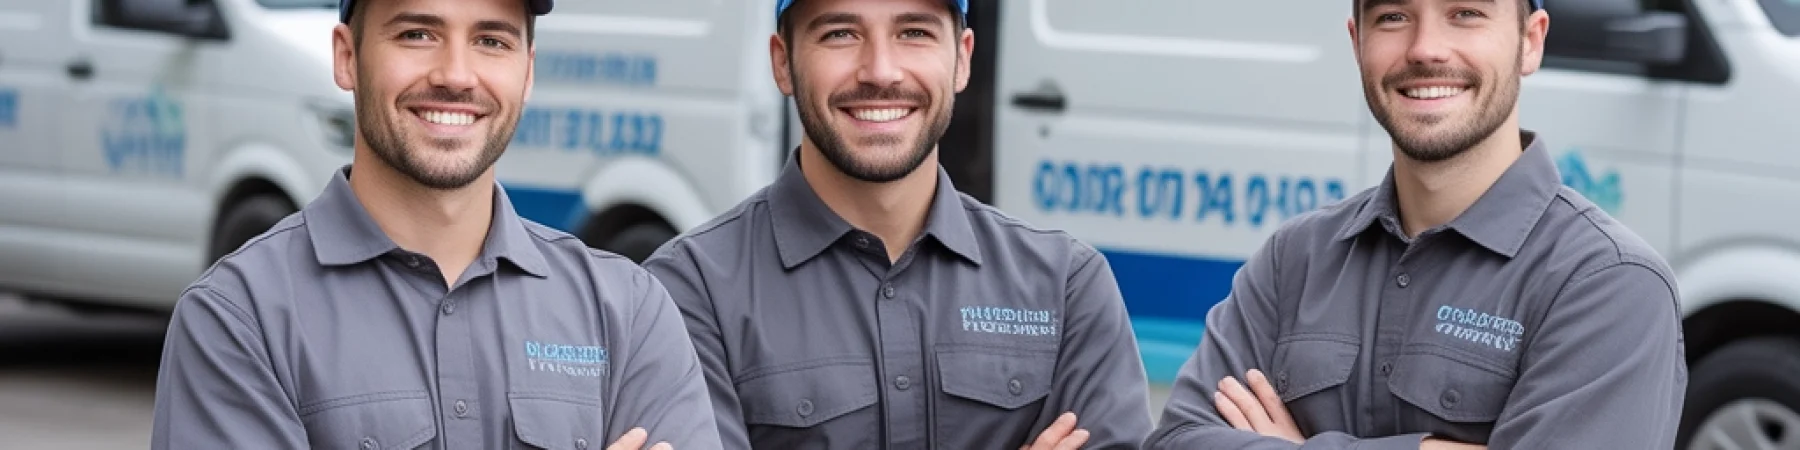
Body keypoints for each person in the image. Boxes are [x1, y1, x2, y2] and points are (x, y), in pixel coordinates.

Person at [148, 0, 722, 449]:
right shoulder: (238, 319)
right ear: (347, 57)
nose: (456, 75)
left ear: (527, 72)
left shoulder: (627, 311)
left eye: (491, 41)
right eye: (417, 34)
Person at [1144, 0, 1687, 448]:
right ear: (1357, 42)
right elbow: (1177, 439)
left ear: (1530, 41)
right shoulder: (1297, 257)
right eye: (1393, 16)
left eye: (1466, 13)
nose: (1425, 48)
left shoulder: (1609, 284)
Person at [640, 0, 1152, 448]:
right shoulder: (686, 294)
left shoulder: (1065, 285)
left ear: (962, 59)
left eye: (915, 32)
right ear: (783, 62)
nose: (881, 71)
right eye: (841, 33)